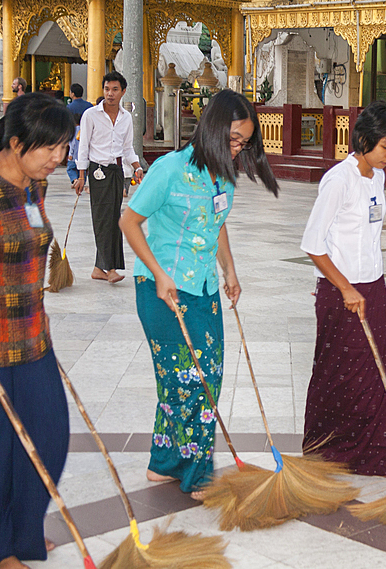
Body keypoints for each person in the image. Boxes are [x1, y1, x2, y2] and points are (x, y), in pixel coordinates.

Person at [119, 90, 279, 499]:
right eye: (232, 139)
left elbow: (217, 222)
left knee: (201, 376)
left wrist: (230, 270)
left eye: (244, 141)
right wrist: (158, 274)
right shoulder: (169, 169)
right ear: (211, 127)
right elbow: (130, 222)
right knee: (191, 381)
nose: (238, 148)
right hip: (163, 290)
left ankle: (165, 463)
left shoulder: (222, 173)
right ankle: (197, 473)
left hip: (204, 287)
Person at [0, 93, 75, 569]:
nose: (60, 158)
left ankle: (21, 531)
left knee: (48, 438)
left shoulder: (35, 184)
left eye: (65, 148)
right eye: (51, 148)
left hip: (31, 337)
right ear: (15, 142)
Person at [301, 102, 386, 476]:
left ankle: (380, 447)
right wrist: (345, 288)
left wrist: (367, 285)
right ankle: (331, 449)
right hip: (342, 292)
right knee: (342, 373)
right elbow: (313, 244)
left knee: (379, 370)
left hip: (374, 286)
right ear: (364, 140)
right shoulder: (339, 179)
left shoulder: (377, 177)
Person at [74, 72, 142, 284]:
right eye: (106, 89)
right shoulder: (91, 115)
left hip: (116, 172)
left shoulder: (126, 118)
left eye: (114, 90)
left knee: (113, 220)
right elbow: (82, 146)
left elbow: (127, 147)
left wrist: (137, 166)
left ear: (122, 91)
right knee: (103, 220)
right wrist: (81, 176)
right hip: (98, 171)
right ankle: (110, 268)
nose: (110, 94)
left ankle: (98, 268)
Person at [65, 84, 91, 186]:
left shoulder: (69, 107)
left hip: (74, 136)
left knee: (72, 164)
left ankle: (75, 180)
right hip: (87, 135)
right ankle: (82, 179)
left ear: (73, 93)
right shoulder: (89, 106)